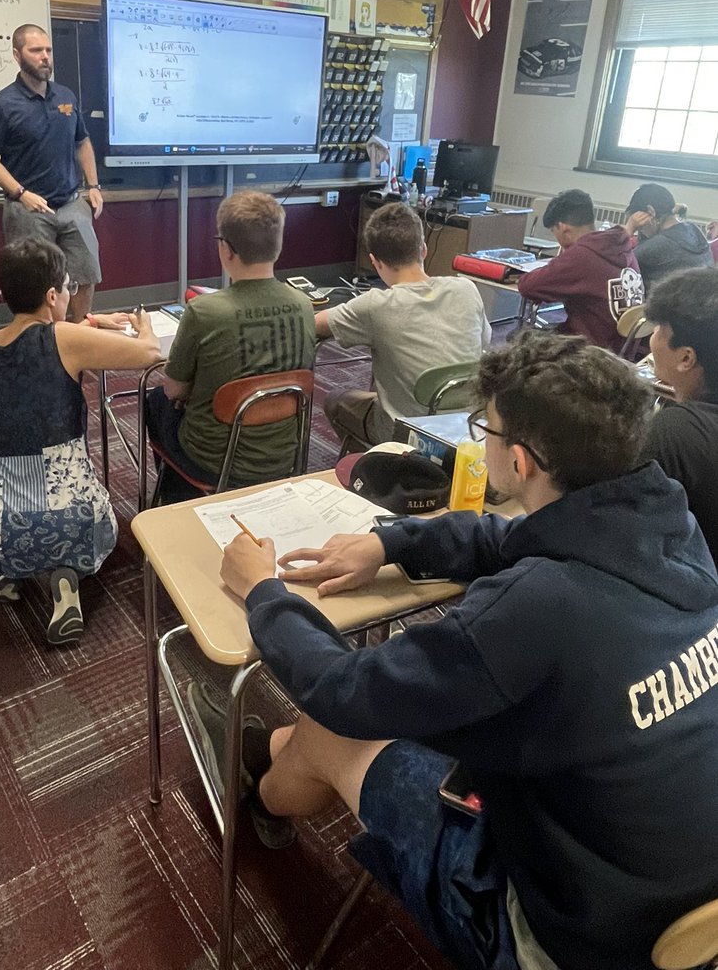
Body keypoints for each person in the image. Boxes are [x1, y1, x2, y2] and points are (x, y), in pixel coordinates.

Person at [200, 331, 718, 970]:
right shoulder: (670, 528)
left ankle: (257, 798)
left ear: (521, 461)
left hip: (570, 939)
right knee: (364, 723)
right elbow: (512, 536)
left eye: (487, 429)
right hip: (673, 897)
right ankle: (273, 758)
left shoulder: (534, 609)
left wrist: (262, 592)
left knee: (329, 728)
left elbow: (346, 691)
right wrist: (392, 542)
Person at [0, 237, 162, 644]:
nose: (71, 294)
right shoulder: (63, 339)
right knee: (101, 520)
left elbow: (31, 341)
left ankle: (12, 570)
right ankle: (65, 581)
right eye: (68, 288)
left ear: (3, 293)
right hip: (71, 522)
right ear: (53, 295)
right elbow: (148, 353)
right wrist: (144, 325)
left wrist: (87, 324)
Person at [145, 191, 316, 498]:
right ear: (278, 246)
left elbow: (174, 389)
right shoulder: (304, 305)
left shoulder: (204, 311)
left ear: (226, 250)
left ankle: (175, 501)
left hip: (216, 460)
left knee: (156, 400)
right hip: (286, 454)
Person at [318, 203, 490, 449]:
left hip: (408, 435)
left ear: (375, 262)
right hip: (470, 430)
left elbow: (316, 325)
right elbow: (482, 345)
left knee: (336, 401)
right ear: (423, 249)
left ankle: (374, 469)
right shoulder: (466, 289)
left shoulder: (374, 306)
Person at [0, 24, 104, 322]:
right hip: (28, 207)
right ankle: (45, 341)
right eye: (36, 51)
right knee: (36, 283)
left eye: (48, 50)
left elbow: (82, 140)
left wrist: (94, 186)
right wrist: (21, 193)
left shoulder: (66, 96)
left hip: (71, 202)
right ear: (17, 55)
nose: (45, 57)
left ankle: (76, 335)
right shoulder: (2, 105)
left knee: (86, 273)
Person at [642, 266, 718, 561]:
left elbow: (609, 516)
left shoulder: (677, 431)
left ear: (686, 358)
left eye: (659, 329)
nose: (652, 338)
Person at [516, 188, 643, 353]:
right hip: (621, 348)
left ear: (563, 228)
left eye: (554, 233)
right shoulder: (620, 246)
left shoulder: (583, 254)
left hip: (590, 350)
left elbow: (527, 286)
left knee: (519, 338)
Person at [623, 182, 711, 288]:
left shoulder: (659, 245)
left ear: (651, 212)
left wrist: (628, 230)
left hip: (666, 304)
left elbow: (618, 264)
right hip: (701, 302)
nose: (640, 231)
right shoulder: (693, 230)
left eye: (640, 227)